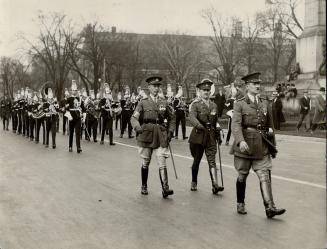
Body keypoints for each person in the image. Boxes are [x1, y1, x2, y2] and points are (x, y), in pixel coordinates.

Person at [231, 72, 286, 218]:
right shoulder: (240, 103)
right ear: (247, 86)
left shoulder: (264, 102)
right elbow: (235, 125)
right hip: (246, 145)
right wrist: (240, 141)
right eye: (255, 84)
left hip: (262, 144)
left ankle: (270, 207)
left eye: (259, 84)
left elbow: (270, 126)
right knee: (242, 175)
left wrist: (273, 146)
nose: (258, 86)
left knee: (264, 175)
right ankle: (240, 203)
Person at [130, 75, 175, 198]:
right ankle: (144, 185)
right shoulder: (142, 102)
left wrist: (170, 131)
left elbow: (172, 118)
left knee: (162, 160)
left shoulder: (164, 102)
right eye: (154, 86)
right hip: (146, 134)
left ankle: (165, 188)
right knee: (145, 161)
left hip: (160, 134)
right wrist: (137, 127)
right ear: (149, 87)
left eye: (158, 86)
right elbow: (134, 117)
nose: (156, 88)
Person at [188, 79, 224, 193]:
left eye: (208, 90)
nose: (207, 92)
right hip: (198, 136)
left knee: (212, 160)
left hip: (211, 136)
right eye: (204, 90)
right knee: (197, 160)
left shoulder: (214, 105)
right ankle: (194, 181)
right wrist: (198, 125)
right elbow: (192, 117)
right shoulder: (195, 104)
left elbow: (215, 120)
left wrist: (218, 130)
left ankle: (215, 184)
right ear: (199, 91)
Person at [65, 80, 85, 153]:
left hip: (78, 118)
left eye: (75, 90)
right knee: (71, 133)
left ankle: (78, 147)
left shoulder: (80, 99)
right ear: (71, 91)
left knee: (78, 133)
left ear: (77, 91)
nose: (74, 91)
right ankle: (70, 146)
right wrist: (69, 116)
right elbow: (66, 109)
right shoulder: (69, 99)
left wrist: (84, 118)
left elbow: (83, 109)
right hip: (71, 118)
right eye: (73, 90)